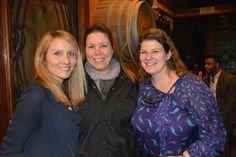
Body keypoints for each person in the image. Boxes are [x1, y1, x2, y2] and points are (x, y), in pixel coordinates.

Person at [131, 28, 226, 157]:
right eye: (144, 52)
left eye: (155, 51)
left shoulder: (191, 86)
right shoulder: (141, 88)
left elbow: (215, 135)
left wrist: (185, 156)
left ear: (168, 54)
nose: (148, 57)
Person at [0, 30, 87, 157]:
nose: (66, 60)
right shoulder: (36, 94)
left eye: (71, 54)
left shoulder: (64, 94)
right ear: (43, 59)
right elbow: (8, 152)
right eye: (57, 53)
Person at [78, 24, 140, 157]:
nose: (97, 52)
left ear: (112, 50)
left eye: (103, 46)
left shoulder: (131, 83)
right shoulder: (74, 83)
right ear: (85, 51)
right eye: (91, 46)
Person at [204, 53, 236, 156]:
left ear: (217, 64)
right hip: (210, 119)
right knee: (211, 147)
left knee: (224, 148)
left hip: (225, 119)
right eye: (205, 64)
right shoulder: (205, 79)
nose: (206, 66)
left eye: (209, 64)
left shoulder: (230, 79)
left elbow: (231, 102)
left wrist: (220, 120)